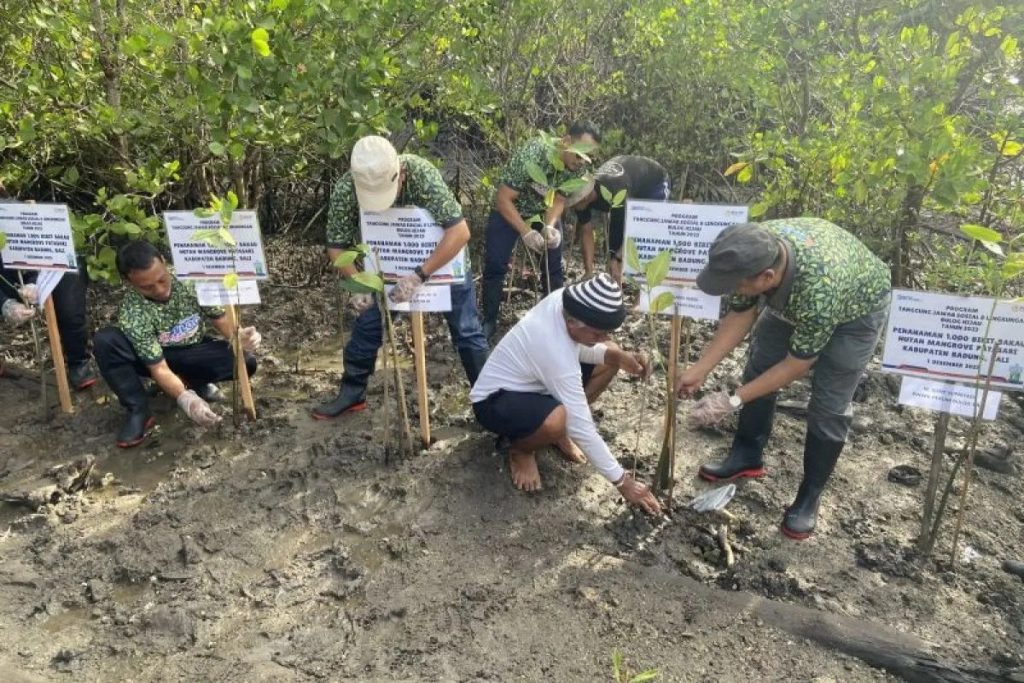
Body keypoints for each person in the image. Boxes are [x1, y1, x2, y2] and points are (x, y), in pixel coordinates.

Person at [676, 219, 891, 539]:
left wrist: (732, 400)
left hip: (857, 312)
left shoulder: (818, 289)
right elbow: (740, 314)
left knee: (829, 405)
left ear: (767, 277)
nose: (732, 289)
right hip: (798, 298)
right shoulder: (750, 247)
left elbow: (796, 365)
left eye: (736, 284)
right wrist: (699, 369)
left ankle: (809, 496)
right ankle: (747, 454)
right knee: (760, 366)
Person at [313, 135, 489, 419]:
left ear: (401, 175)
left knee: (467, 331)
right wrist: (358, 283)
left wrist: (420, 275)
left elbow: (459, 232)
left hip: (442, 260)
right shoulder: (348, 186)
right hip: (387, 264)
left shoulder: (422, 174)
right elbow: (336, 246)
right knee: (369, 323)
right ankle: (352, 392)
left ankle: (488, 402)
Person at [471, 273, 662, 516]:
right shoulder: (552, 346)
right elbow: (583, 426)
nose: (603, 337)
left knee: (611, 353)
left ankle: (557, 432)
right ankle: (521, 450)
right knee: (559, 419)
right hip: (495, 400)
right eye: (598, 333)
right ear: (573, 323)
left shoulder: (565, 302)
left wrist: (617, 356)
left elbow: (579, 346)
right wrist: (624, 482)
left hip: (537, 383)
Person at [93, 240, 260, 448]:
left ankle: (193, 380)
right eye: (147, 287)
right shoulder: (132, 312)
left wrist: (240, 336)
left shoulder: (191, 281)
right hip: (155, 360)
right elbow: (158, 367)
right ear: (129, 281)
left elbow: (221, 320)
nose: (160, 290)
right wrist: (186, 400)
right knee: (106, 340)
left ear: (164, 262)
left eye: (162, 279)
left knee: (245, 361)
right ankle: (139, 410)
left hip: (192, 350)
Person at [480, 123, 601, 340]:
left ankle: (556, 323)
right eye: (579, 154)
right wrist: (526, 232)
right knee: (495, 265)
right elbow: (503, 199)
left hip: (541, 212)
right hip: (509, 210)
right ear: (565, 142)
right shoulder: (533, 154)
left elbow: (560, 199)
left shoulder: (579, 166)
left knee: (553, 267)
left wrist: (550, 226)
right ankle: (489, 321)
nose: (582, 161)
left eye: (587, 157)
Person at [1, 256, 98, 390]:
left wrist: (35, 281)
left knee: (70, 312)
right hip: (7, 276)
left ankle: (78, 362)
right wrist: (4, 303)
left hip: (56, 261)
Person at [573, 155, 671, 282]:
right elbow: (586, 231)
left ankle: (640, 294)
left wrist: (617, 258)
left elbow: (627, 231)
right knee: (614, 256)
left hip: (654, 181)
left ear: (585, 197)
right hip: (630, 180)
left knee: (647, 231)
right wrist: (589, 272)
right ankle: (614, 284)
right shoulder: (581, 197)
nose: (572, 206)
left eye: (574, 202)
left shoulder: (615, 191)